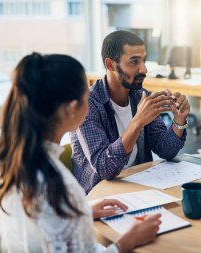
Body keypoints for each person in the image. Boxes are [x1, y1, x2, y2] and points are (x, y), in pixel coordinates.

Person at [0, 53, 161, 252]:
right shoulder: (56, 187)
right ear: (71, 108)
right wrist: (127, 242)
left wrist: (81, 212)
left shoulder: (15, 156)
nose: (90, 105)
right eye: (86, 98)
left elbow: (43, 223)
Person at [71, 30, 190, 193]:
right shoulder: (87, 105)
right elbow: (104, 169)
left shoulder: (140, 97)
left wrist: (179, 120)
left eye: (144, 61)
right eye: (134, 62)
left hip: (139, 186)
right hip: (100, 195)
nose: (144, 69)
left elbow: (165, 150)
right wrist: (138, 121)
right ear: (110, 64)